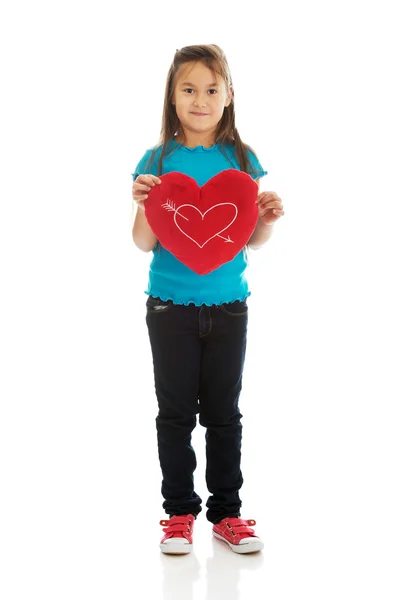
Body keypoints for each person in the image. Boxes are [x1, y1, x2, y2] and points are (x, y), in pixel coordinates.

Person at [131, 44, 284, 555]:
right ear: (173, 97)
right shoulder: (157, 161)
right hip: (169, 308)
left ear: (229, 96)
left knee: (223, 414)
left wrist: (265, 217)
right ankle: (178, 514)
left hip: (228, 307)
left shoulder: (242, 161)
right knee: (174, 414)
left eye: (212, 89)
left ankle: (227, 514)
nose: (201, 99)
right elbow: (143, 242)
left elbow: (250, 241)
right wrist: (142, 201)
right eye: (189, 89)